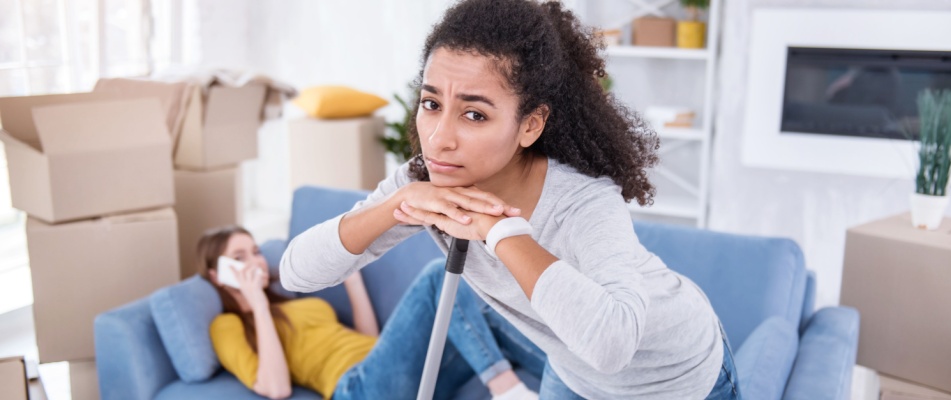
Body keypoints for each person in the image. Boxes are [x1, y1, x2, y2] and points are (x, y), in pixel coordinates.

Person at [280, 0, 741, 398]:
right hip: (574, 370)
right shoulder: (427, 184)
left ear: (530, 125)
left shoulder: (584, 203)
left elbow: (612, 344)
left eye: (475, 114)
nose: (439, 139)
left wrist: (498, 229)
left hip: (675, 377)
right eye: (431, 103)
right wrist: (394, 206)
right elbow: (296, 272)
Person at [198, 225, 543, 400]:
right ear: (216, 274)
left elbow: (370, 343)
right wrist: (256, 303)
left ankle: (582, 378)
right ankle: (507, 389)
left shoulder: (292, 302)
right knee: (440, 276)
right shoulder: (226, 325)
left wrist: (351, 279)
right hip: (358, 391)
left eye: (255, 251)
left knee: (485, 317)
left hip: (394, 377)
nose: (256, 261)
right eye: (240, 257)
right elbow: (276, 388)